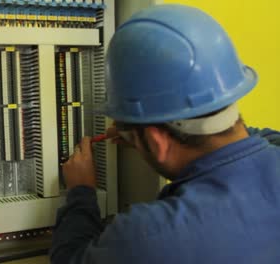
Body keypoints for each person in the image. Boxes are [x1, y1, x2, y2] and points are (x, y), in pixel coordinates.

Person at [50, 4, 280, 264]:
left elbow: (69, 259)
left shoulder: (147, 238)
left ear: (158, 141)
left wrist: (80, 192)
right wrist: (140, 134)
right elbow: (258, 137)